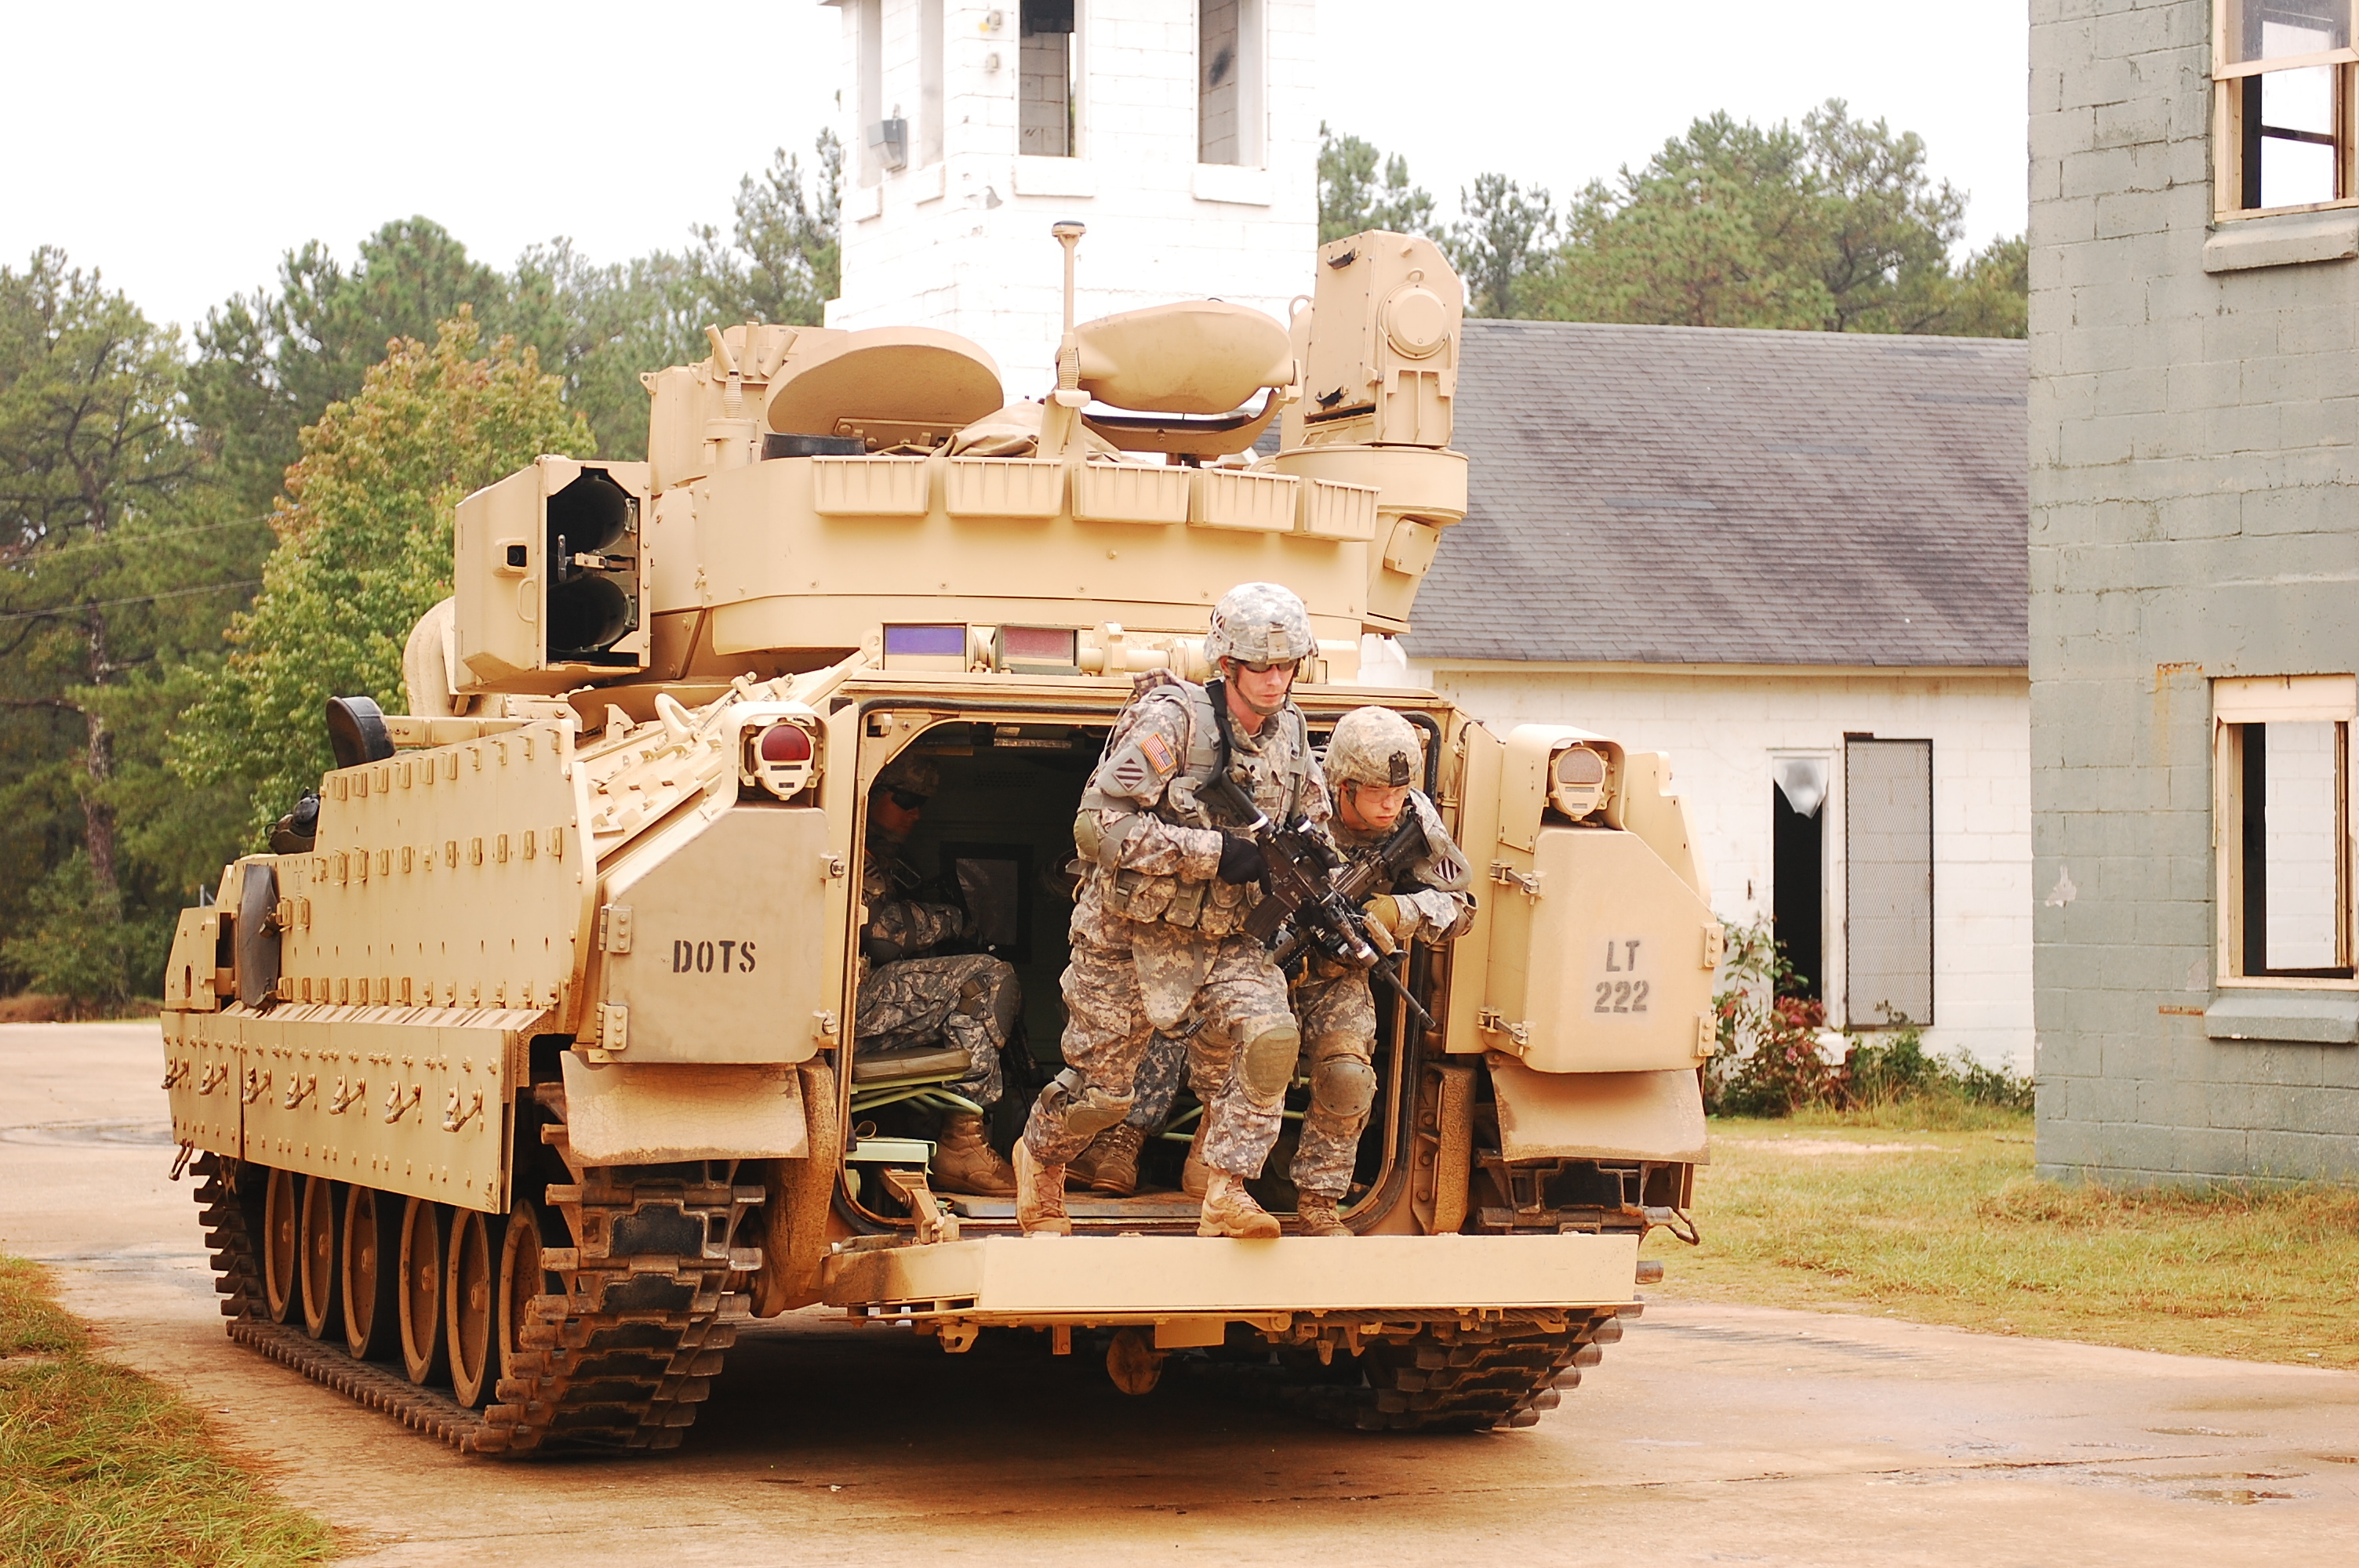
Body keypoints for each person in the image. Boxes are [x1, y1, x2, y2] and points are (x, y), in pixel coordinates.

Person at [1016, 582, 1331, 1239]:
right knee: (1103, 1095)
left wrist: (1308, 858)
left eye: (1286, 666)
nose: (1276, 681)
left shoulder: (1293, 732)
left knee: (1272, 1040)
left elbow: (1313, 817)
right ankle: (1041, 1164)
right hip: (1127, 934)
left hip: (1226, 937)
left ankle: (1227, 1189)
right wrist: (1215, 853)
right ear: (1227, 665)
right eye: (1261, 667)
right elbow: (1097, 828)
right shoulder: (1173, 722)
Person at [1287, 705, 1474, 1235]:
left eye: (1398, 791)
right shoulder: (1297, 796)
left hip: (1340, 970)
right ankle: (1207, 1180)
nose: (1391, 804)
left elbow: (1462, 905)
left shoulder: (1410, 817)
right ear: (1342, 785)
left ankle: (1319, 1203)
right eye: (1376, 793)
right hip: (1268, 959)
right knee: (1248, 1055)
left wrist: (1401, 911)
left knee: (1348, 1078)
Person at [854, 754, 1021, 1196]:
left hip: (848, 1006)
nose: (914, 813)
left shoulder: (885, 859)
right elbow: (881, 936)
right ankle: (962, 1142)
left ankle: (944, 1129)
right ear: (869, 796)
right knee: (986, 978)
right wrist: (950, 920)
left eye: (920, 802)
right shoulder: (849, 847)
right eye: (905, 798)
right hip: (843, 1006)